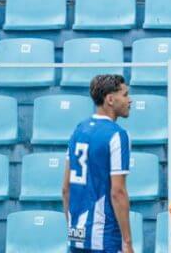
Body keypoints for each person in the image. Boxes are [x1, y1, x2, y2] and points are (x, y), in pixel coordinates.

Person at [64, 74, 135, 253]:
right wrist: (127, 242)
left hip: (76, 235)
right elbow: (117, 192)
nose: (130, 100)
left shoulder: (78, 130)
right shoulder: (117, 135)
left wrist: (73, 228)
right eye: (125, 95)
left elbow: (66, 189)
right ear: (110, 99)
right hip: (104, 236)